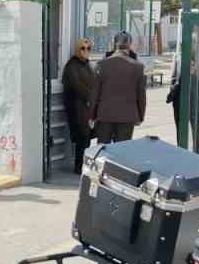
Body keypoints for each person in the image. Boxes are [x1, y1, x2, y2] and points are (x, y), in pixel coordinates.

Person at [88, 30, 147, 144]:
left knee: (103, 149)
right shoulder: (138, 67)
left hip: (105, 116)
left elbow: (95, 93)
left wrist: (91, 116)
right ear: (129, 45)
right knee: (121, 151)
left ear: (114, 44)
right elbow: (141, 96)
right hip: (127, 117)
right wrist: (140, 116)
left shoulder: (102, 64)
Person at [60, 38, 96, 172]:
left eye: (88, 48)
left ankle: (82, 165)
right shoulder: (72, 65)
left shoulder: (87, 64)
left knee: (86, 137)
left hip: (87, 107)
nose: (86, 51)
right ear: (77, 49)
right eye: (83, 48)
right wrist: (90, 96)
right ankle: (78, 166)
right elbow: (76, 86)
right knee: (82, 137)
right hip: (77, 107)